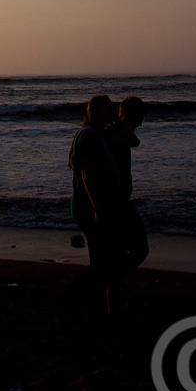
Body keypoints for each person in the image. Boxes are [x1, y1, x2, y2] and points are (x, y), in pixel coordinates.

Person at [69, 94, 125, 313]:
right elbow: (87, 175)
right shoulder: (91, 136)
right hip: (91, 206)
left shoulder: (87, 134)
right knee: (104, 260)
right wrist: (98, 208)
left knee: (101, 258)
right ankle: (86, 299)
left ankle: (97, 304)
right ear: (99, 112)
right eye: (109, 110)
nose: (112, 114)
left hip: (87, 205)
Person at [109, 96, 150, 272]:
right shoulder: (116, 133)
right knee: (139, 249)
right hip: (116, 203)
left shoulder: (116, 131)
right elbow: (135, 142)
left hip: (118, 201)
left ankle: (113, 282)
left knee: (121, 251)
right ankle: (113, 278)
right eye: (139, 118)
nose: (140, 124)